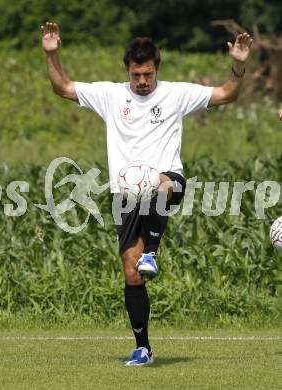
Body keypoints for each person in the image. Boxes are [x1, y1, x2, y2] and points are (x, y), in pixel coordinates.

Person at [41, 22, 253, 366]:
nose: (142, 81)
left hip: (168, 182)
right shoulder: (110, 96)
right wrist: (52, 54)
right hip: (124, 195)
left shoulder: (175, 94)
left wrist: (239, 65)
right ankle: (143, 348)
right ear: (128, 70)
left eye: (148, 74)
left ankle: (151, 251)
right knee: (131, 272)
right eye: (136, 74)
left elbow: (227, 93)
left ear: (157, 69)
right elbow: (62, 87)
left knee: (158, 184)